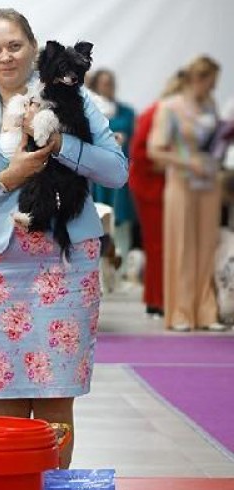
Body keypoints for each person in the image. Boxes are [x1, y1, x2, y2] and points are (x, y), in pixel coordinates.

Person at [0, 8, 127, 468]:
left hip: (68, 265)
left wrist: (61, 146)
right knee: (5, 401)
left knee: (57, 401)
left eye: (14, 45)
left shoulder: (76, 101)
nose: (5, 56)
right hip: (0, 271)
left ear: (34, 48)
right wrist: (7, 177)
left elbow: (117, 172)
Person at [148, 55, 227, 332]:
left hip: (209, 183)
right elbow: (155, 150)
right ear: (198, 78)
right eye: (211, 81)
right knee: (181, 246)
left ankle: (206, 311)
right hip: (182, 182)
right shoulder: (170, 107)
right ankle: (180, 312)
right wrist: (188, 162)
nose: (213, 87)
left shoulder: (210, 105)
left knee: (207, 246)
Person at [128, 78, 181, 318]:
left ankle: (157, 298)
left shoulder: (161, 112)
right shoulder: (157, 113)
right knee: (158, 245)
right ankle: (158, 299)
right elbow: (141, 154)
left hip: (159, 185)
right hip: (151, 187)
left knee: (160, 245)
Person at [87, 69, 137, 262]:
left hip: (122, 169)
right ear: (97, 85)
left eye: (111, 82)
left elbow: (135, 140)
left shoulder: (127, 112)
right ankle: (100, 264)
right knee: (100, 216)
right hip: (99, 171)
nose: (109, 86)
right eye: (104, 83)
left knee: (122, 216)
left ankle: (121, 264)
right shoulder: (91, 109)